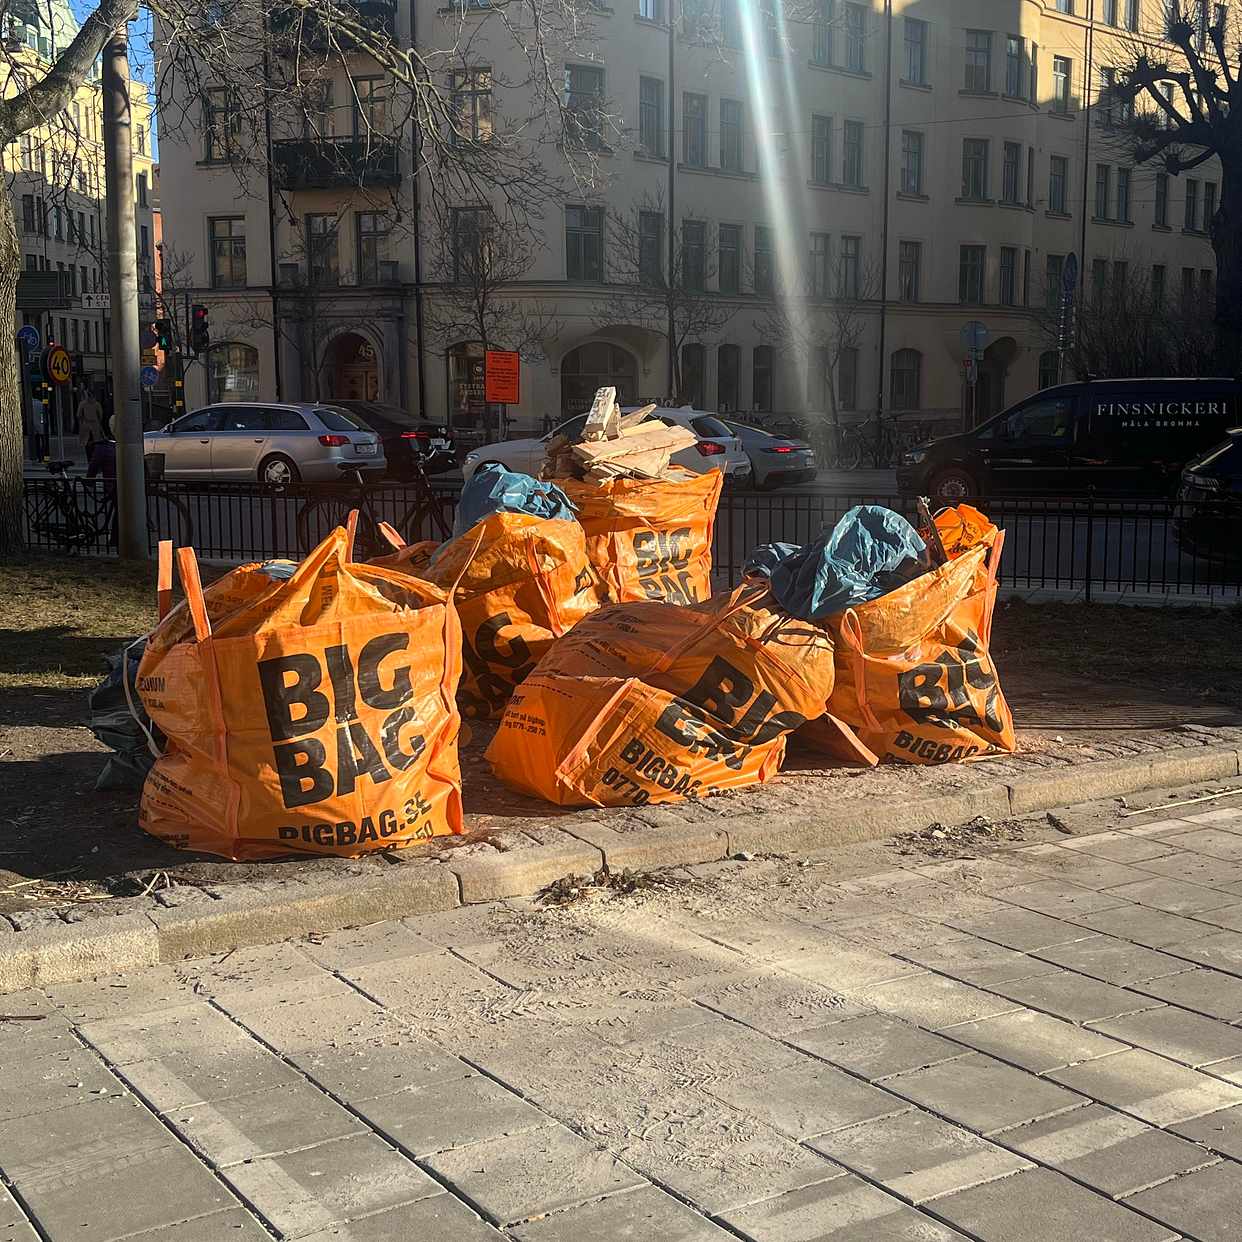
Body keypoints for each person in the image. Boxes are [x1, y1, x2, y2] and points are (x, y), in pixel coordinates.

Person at [76, 388, 105, 457]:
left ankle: (89, 457)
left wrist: (82, 422)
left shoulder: (82, 404)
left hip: (86, 425)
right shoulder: (97, 404)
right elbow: (100, 415)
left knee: (87, 443)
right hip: (95, 425)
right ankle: (95, 456)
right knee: (96, 442)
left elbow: (79, 415)